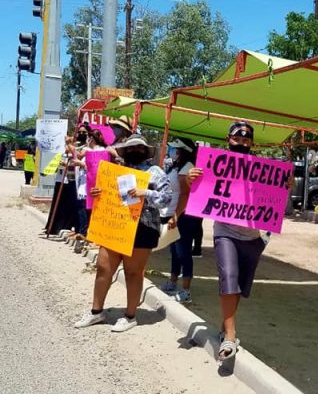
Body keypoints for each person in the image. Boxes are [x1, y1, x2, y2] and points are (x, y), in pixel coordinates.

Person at [189, 121, 293, 360]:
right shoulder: (215, 165)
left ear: (252, 143)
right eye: (237, 139)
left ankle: (225, 325)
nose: (242, 143)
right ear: (228, 140)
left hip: (253, 237)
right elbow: (198, 190)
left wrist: (286, 187)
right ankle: (230, 336)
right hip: (225, 231)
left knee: (238, 288)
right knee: (228, 278)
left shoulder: (264, 171)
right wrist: (190, 179)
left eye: (246, 140)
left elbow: (278, 205)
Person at [74, 133, 172, 332]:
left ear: (145, 151)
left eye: (139, 148)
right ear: (124, 151)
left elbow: (166, 198)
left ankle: (130, 315)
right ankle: (96, 312)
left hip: (143, 228)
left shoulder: (156, 172)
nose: (135, 151)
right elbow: (104, 193)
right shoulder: (114, 171)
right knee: (103, 267)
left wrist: (147, 193)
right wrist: (97, 193)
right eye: (130, 148)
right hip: (114, 225)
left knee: (133, 272)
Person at [160, 137, 203, 303]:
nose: (174, 151)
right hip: (174, 213)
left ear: (184, 151)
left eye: (177, 149)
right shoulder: (178, 166)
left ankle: (186, 290)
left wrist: (176, 215)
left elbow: (186, 195)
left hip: (183, 216)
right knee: (175, 251)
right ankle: (172, 282)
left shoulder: (188, 168)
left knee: (183, 252)